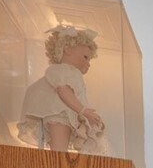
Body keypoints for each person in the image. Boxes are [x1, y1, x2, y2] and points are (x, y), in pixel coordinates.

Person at [17, 24, 107, 153]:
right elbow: (63, 91)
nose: (88, 63)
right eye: (85, 57)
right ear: (68, 49)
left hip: (63, 112)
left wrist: (84, 114)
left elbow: (73, 95)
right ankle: (59, 163)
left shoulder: (72, 73)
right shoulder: (62, 70)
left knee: (62, 142)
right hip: (56, 111)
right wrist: (84, 111)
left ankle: (72, 147)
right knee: (59, 145)